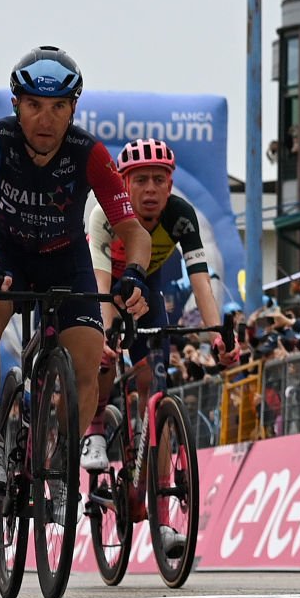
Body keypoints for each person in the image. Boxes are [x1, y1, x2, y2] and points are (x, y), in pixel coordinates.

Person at [0, 48, 153, 495]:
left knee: (89, 355)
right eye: (34, 106)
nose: (45, 119)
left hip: (65, 259)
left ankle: (62, 460)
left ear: (73, 108)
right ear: (16, 105)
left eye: (58, 108)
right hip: (7, 254)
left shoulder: (90, 152)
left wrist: (136, 274)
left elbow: (134, 231)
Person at [84, 136, 219, 564]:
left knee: (156, 387)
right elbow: (101, 286)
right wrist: (106, 335)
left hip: (148, 288)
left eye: (159, 180)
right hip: (102, 284)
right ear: (123, 183)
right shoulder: (105, 213)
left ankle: (161, 516)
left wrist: (215, 333)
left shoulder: (180, 216)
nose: (150, 189)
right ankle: (94, 430)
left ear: (170, 183)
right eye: (140, 180)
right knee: (102, 350)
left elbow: (201, 278)